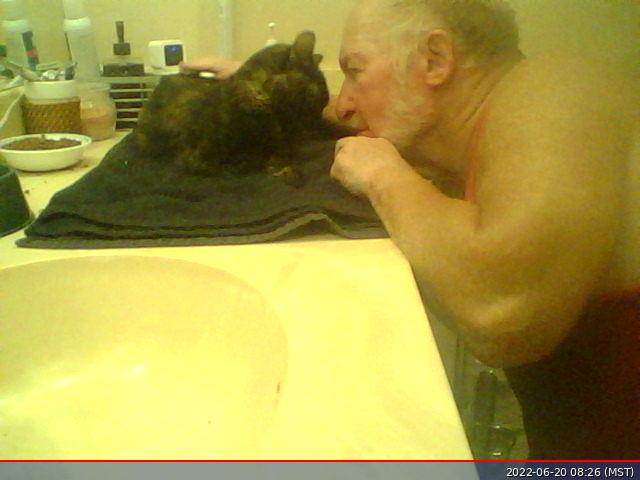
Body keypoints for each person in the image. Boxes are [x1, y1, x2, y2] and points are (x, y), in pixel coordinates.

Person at [183, 0, 639, 459]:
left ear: (434, 60)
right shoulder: (483, 125)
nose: (344, 102)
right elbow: (346, 111)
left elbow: (502, 309)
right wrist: (256, 80)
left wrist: (383, 173)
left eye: (355, 71)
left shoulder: (561, 87)